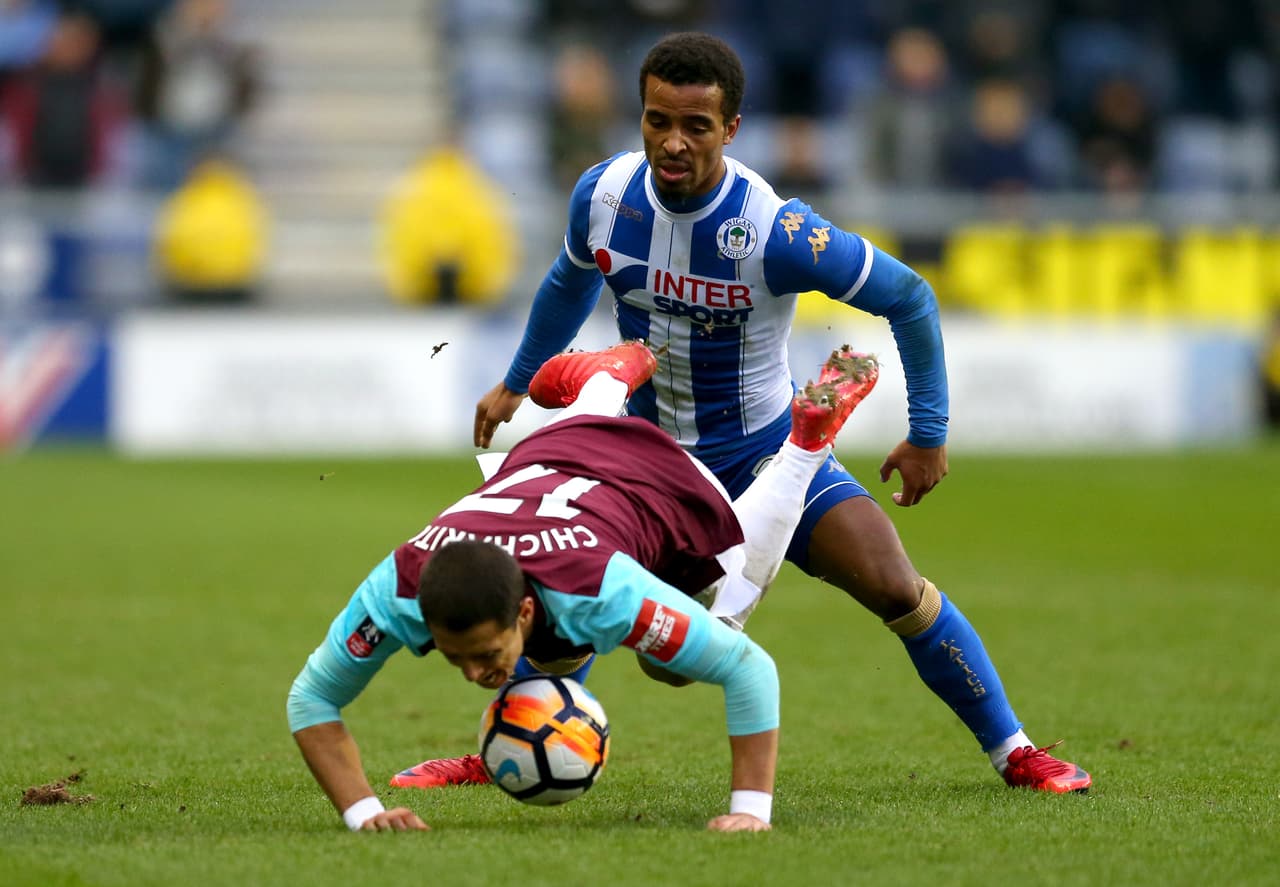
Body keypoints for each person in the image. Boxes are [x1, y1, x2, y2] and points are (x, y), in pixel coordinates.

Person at [457, 31, 1090, 794]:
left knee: (895, 583)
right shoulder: (602, 196)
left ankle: (1015, 751)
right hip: (651, 465)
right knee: (580, 619)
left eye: (696, 125)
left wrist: (928, 431)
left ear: (731, 128)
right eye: (659, 120)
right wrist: (518, 380)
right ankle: (500, 744)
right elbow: (568, 280)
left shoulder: (773, 231)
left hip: (765, 448)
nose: (673, 142)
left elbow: (910, 297)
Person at [288, 339, 880, 832]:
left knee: (701, 640)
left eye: (487, 654)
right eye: (456, 658)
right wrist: (365, 814)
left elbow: (750, 670)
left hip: (666, 489)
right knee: (559, 641)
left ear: (522, 611)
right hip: (555, 450)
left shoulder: (599, 595)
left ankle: (805, 443)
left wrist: (750, 811)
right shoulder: (396, 588)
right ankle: (606, 379)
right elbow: (310, 700)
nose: (476, 676)